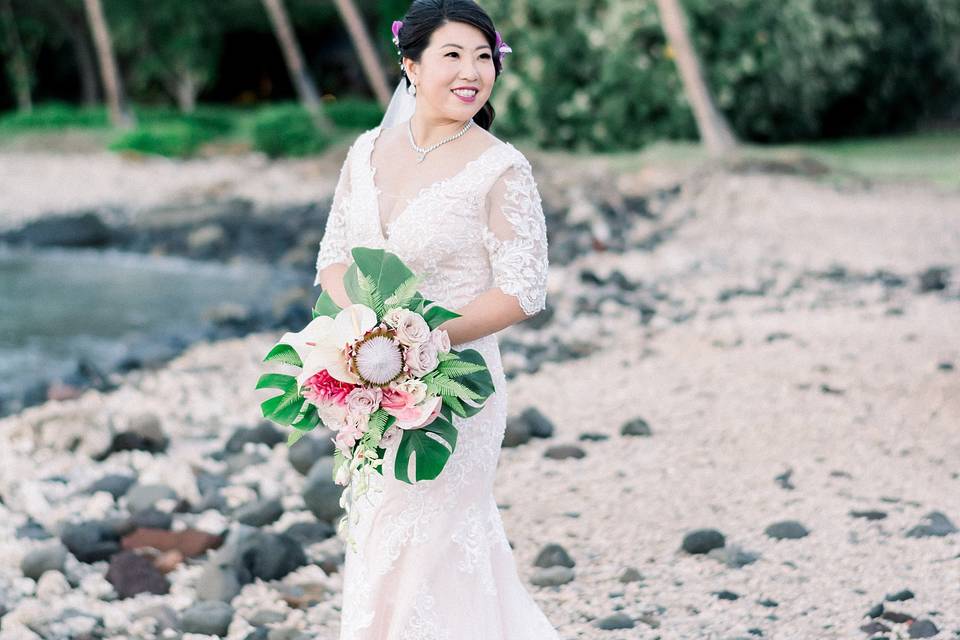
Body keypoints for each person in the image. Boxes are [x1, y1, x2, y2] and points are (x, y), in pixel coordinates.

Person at [313, 1, 558, 637]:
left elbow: (523, 289)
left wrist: (423, 340)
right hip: (370, 382)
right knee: (378, 532)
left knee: (437, 537)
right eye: (452, 55)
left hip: (459, 385)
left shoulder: (500, 167)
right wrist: (364, 337)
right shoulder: (365, 151)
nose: (471, 71)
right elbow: (334, 262)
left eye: (484, 57)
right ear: (411, 66)